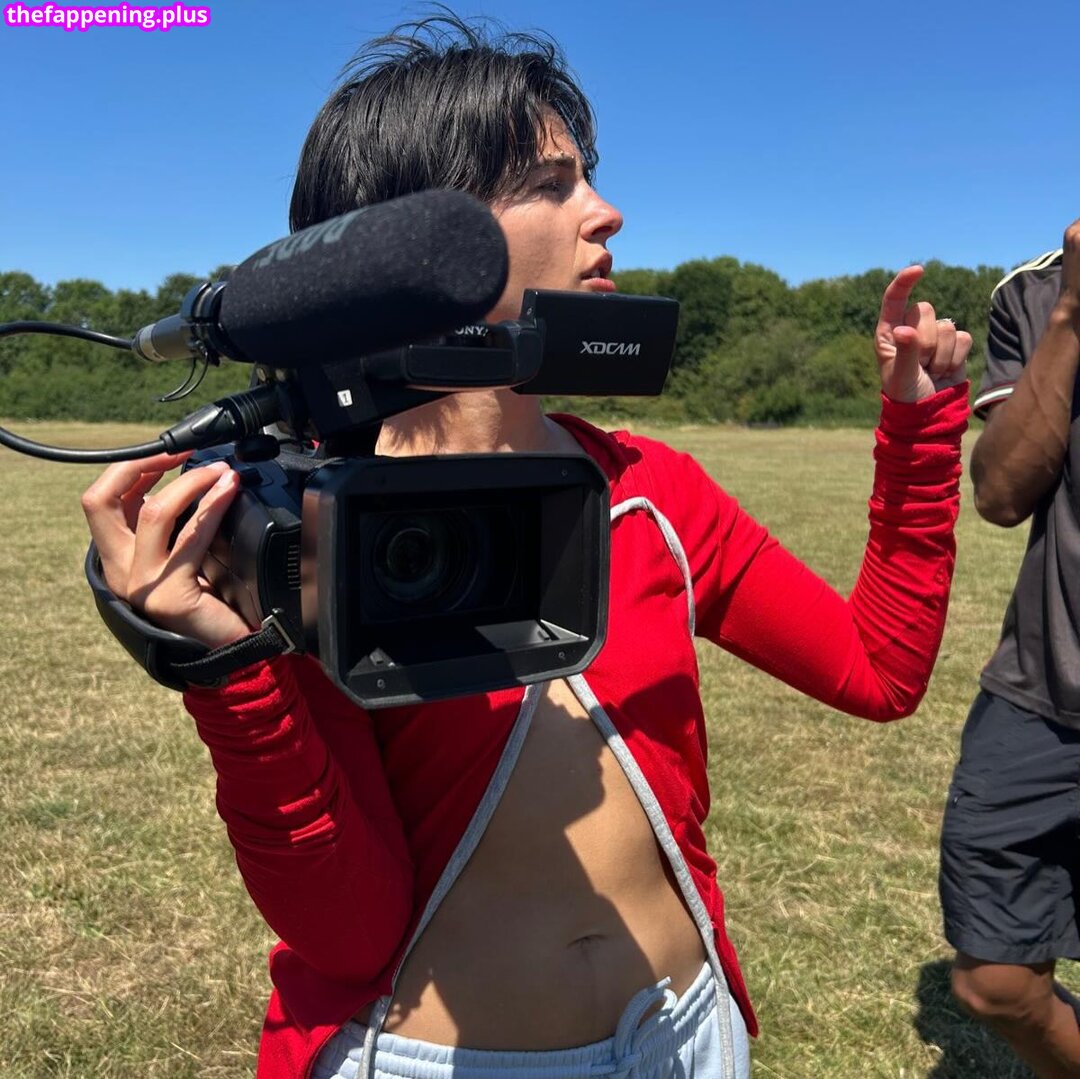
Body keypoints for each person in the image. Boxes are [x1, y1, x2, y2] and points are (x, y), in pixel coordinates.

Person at [81, 14, 971, 1079]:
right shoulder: (307, 528)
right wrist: (228, 671)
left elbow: (877, 669)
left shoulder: (650, 494)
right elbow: (348, 931)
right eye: (552, 184)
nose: (606, 210)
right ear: (407, 245)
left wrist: (918, 432)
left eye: (587, 175)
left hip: (687, 1036)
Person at [941, 219, 1080, 1078]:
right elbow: (999, 492)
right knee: (993, 979)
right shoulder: (1032, 293)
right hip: (1044, 689)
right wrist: (1070, 316)